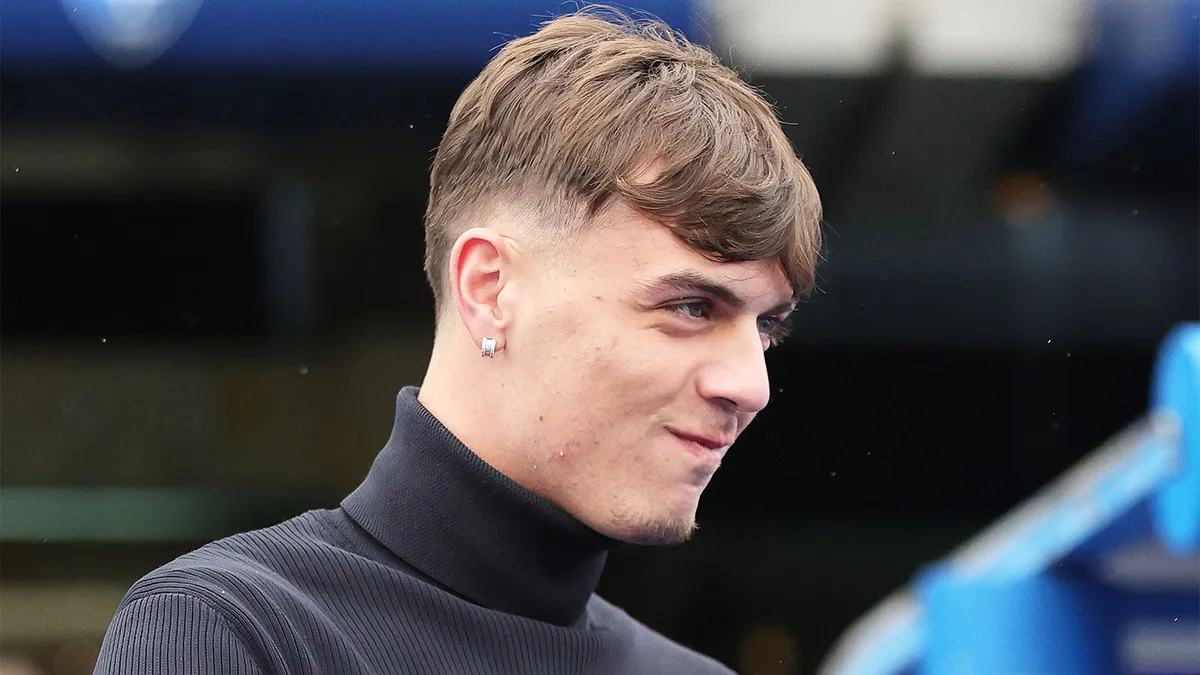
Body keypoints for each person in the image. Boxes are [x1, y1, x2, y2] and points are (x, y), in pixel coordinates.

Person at [94, 7, 822, 674]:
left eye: (766, 325)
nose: (749, 385)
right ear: (488, 287)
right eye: (692, 306)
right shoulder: (229, 631)